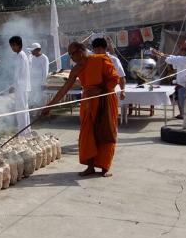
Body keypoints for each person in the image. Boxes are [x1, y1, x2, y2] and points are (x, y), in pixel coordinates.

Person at [42, 42, 120, 177]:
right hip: (88, 103)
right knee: (87, 134)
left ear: (82, 50)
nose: (72, 57)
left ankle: (105, 168)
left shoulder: (99, 59)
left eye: (73, 53)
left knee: (105, 132)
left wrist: (100, 89)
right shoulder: (76, 69)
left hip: (104, 100)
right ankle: (90, 166)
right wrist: (50, 105)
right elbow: (64, 89)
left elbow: (114, 79)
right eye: (70, 55)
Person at [9, 36, 31, 136]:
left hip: (20, 86)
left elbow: (18, 73)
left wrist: (13, 85)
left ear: (18, 45)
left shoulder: (20, 56)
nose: (12, 48)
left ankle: (22, 133)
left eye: (13, 45)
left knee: (21, 110)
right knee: (24, 109)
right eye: (11, 46)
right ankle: (26, 131)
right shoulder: (22, 55)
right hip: (23, 86)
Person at [29, 43, 49, 107]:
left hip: (39, 83)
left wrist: (43, 83)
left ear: (38, 50)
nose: (31, 52)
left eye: (33, 50)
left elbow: (45, 71)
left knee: (39, 100)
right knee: (31, 99)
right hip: (32, 82)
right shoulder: (32, 57)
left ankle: (40, 114)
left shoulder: (44, 58)